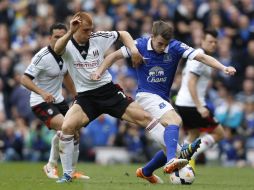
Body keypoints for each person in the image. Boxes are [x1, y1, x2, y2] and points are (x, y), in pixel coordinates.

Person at [54, 12, 197, 183]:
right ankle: (67, 174)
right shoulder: (67, 43)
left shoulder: (98, 37)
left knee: (145, 117)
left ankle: (177, 154)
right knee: (67, 127)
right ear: (75, 28)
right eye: (85, 30)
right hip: (86, 97)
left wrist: (134, 51)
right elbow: (57, 49)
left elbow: (123, 34)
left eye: (91, 29)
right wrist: (69, 32)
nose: (89, 33)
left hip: (108, 91)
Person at [91, 21, 236, 184]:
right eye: (159, 43)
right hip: (146, 96)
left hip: (162, 98)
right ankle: (171, 161)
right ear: (152, 37)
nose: (162, 47)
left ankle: (146, 171)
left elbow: (201, 56)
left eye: (165, 44)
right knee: (175, 121)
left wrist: (223, 67)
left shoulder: (175, 47)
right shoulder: (139, 44)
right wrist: (98, 71)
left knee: (169, 144)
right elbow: (113, 56)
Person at [21, 23, 88, 180]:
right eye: (56, 37)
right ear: (50, 38)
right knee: (67, 128)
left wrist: (77, 95)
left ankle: (72, 171)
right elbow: (24, 79)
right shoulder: (42, 57)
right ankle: (51, 165)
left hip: (58, 100)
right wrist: (42, 93)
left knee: (76, 134)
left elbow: (65, 75)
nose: (59, 40)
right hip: (40, 101)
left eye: (62, 36)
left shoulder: (66, 53)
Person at [175, 29, 225, 170]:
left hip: (182, 102)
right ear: (202, 41)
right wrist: (199, 106)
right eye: (210, 41)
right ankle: (189, 156)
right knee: (219, 133)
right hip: (192, 104)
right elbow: (191, 82)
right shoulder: (200, 58)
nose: (213, 44)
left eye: (215, 42)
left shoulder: (198, 55)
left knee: (193, 134)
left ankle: (182, 165)